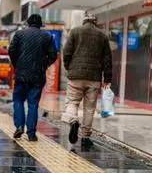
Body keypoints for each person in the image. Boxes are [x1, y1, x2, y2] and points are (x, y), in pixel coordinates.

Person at [62, 13, 112, 147]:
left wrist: (69, 67)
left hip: (75, 76)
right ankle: (85, 137)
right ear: (95, 22)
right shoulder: (102, 36)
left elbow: (66, 52)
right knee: (89, 108)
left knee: (72, 102)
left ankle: (73, 121)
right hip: (94, 78)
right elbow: (107, 59)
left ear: (84, 21)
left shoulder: (75, 32)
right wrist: (107, 78)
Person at [8, 14, 57, 141]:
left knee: (18, 100)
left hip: (21, 75)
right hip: (37, 75)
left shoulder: (19, 34)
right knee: (33, 103)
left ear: (28, 23)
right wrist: (44, 65)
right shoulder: (47, 36)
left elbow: (11, 50)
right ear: (40, 24)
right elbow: (53, 55)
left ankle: (19, 126)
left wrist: (17, 65)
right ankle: (31, 133)